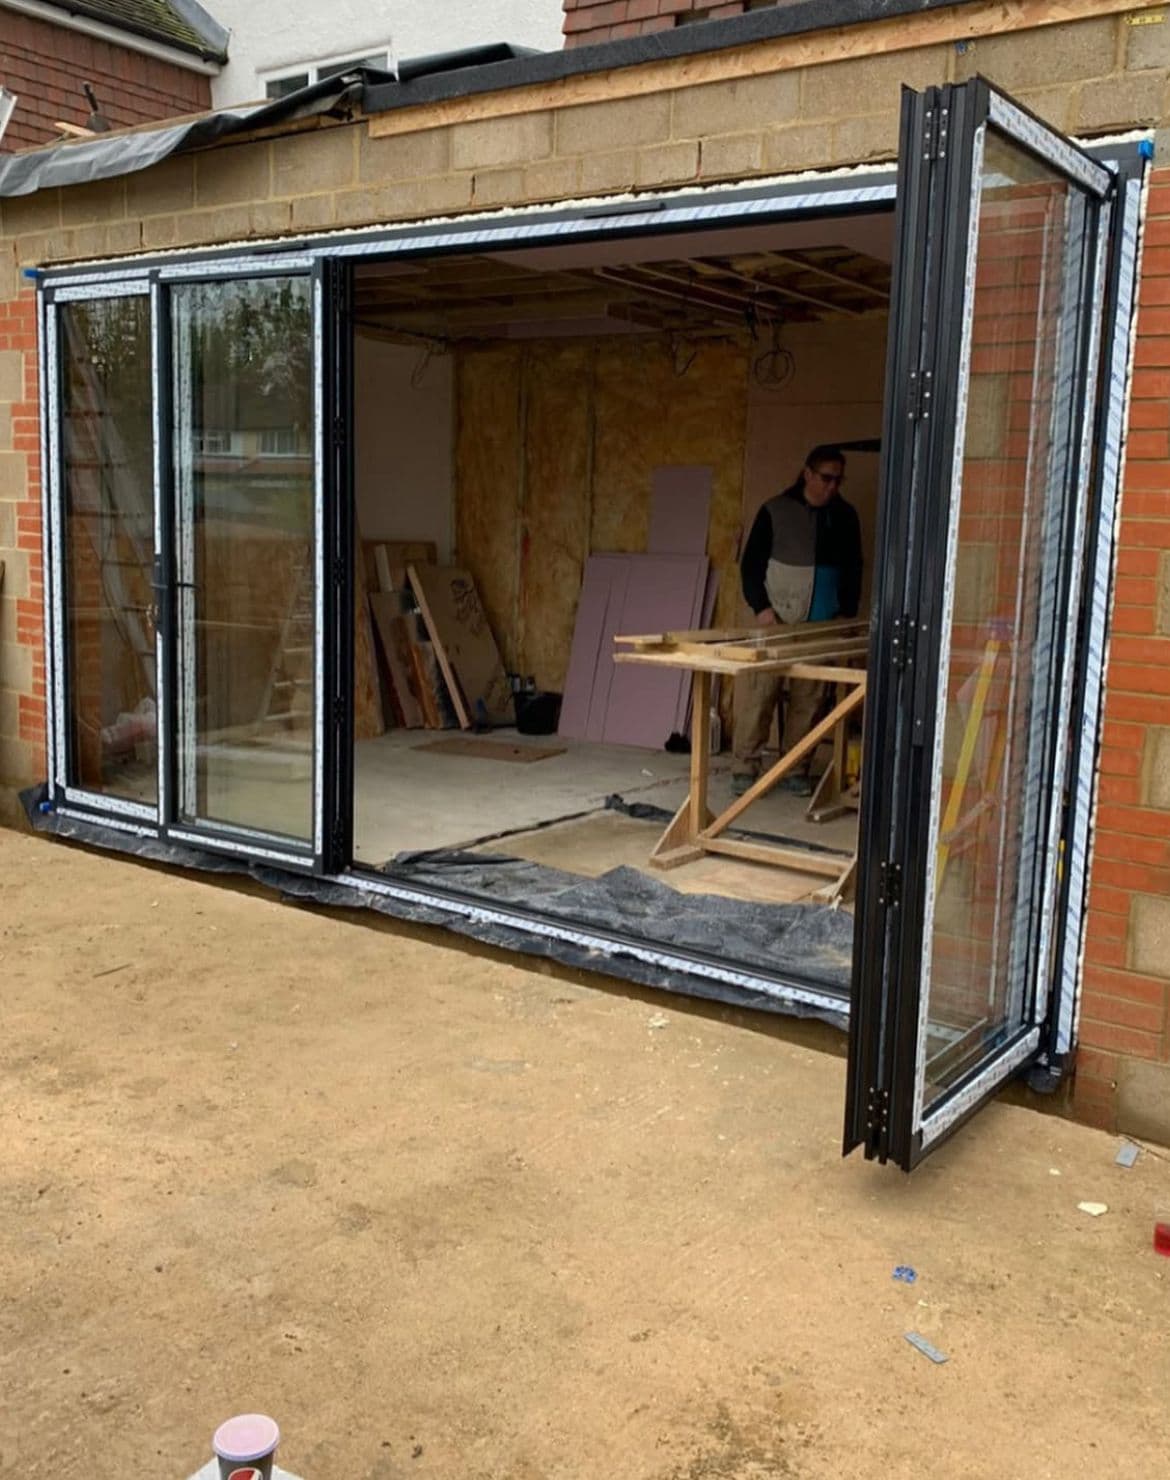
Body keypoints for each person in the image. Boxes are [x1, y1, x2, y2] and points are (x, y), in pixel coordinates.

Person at [732, 444, 863, 797]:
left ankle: (795, 767)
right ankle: (745, 766)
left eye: (838, 479)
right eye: (825, 478)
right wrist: (762, 609)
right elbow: (750, 568)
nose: (832, 486)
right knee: (761, 695)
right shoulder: (775, 511)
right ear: (807, 473)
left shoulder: (845, 517)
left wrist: (844, 615)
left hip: (821, 625)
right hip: (777, 621)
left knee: (810, 700)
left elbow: (854, 569)